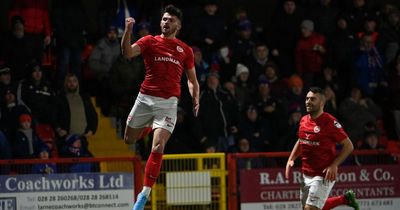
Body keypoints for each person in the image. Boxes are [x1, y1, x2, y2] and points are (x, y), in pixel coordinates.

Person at [121, 5, 200, 210]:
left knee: (158, 147)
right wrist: (128, 32)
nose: (166, 22)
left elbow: (192, 80)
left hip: (168, 104)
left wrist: (195, 97)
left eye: (171, 20)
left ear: (178, 25)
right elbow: (128, 53)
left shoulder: (185, 50)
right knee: (129, 139)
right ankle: (148, 126)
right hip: (145, 99)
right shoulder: (149, 41)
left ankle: (144, 194)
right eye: (164, 19)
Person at [285, 87, 359, 210]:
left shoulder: (330, 122)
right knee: (309, 208)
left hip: (323, 174)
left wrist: (334, 165)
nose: (308, 101)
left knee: (311, 208)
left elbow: (349, 146)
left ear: (322, 103)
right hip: (306, 173)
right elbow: (301, 140)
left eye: (313, 99)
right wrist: (291, 159)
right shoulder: (303, 120)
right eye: (307, 98)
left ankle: (345, 199)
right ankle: (345, 199)